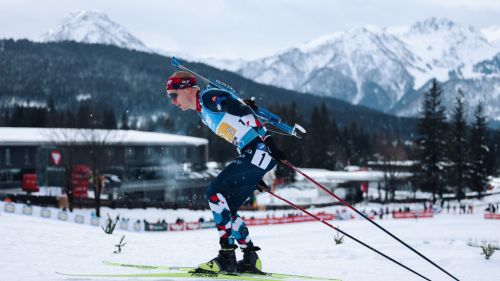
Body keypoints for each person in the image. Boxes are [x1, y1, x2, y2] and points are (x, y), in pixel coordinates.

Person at [165, 71, 286, 274]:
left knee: (214, 193)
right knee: (226, 208)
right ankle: (250, 258)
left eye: (173, 95)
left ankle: (227, 257)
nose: (173, 101)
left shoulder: (207, 97)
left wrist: (269, 141)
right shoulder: (202, 111)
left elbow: (244, 110)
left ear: (186, 89)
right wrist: (253, 173)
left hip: (258, 150)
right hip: (254, 155)